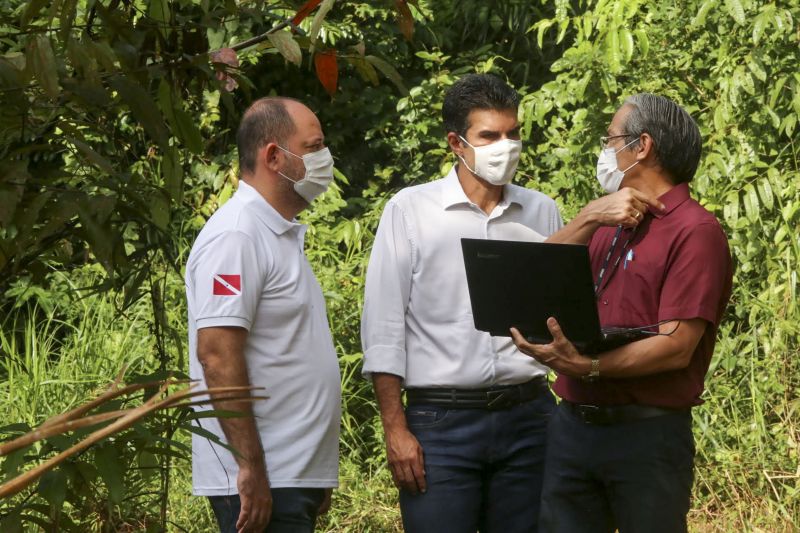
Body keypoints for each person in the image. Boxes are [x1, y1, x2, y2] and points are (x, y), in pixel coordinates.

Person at [359, 73, 654, 533]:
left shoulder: (542, 210)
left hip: (529, 416)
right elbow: (383, 328)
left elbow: (559, 308)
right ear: (457, 142)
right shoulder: (410, 210)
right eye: (490, 136)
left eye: (513, 133)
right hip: (441, 421)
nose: (506, 145)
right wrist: (396, 431)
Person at [512, 94, 733, 533]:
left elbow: (676, 347)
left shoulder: (695, 231)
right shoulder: (605, 222)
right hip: (573, 429)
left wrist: (588, 365)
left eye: (611, 139)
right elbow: (524, 284)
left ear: (642, 146)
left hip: (646, 438)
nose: (606, 150)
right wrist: (589, 216)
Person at [185, 97, 341, 533]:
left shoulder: (277, 233)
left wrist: (316, 470)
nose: (324, 159)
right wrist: (250, 467)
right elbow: (216, 354)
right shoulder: (237, 235)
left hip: (292, 474)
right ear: (274, 156)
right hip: (260, 480)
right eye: (314, 147)